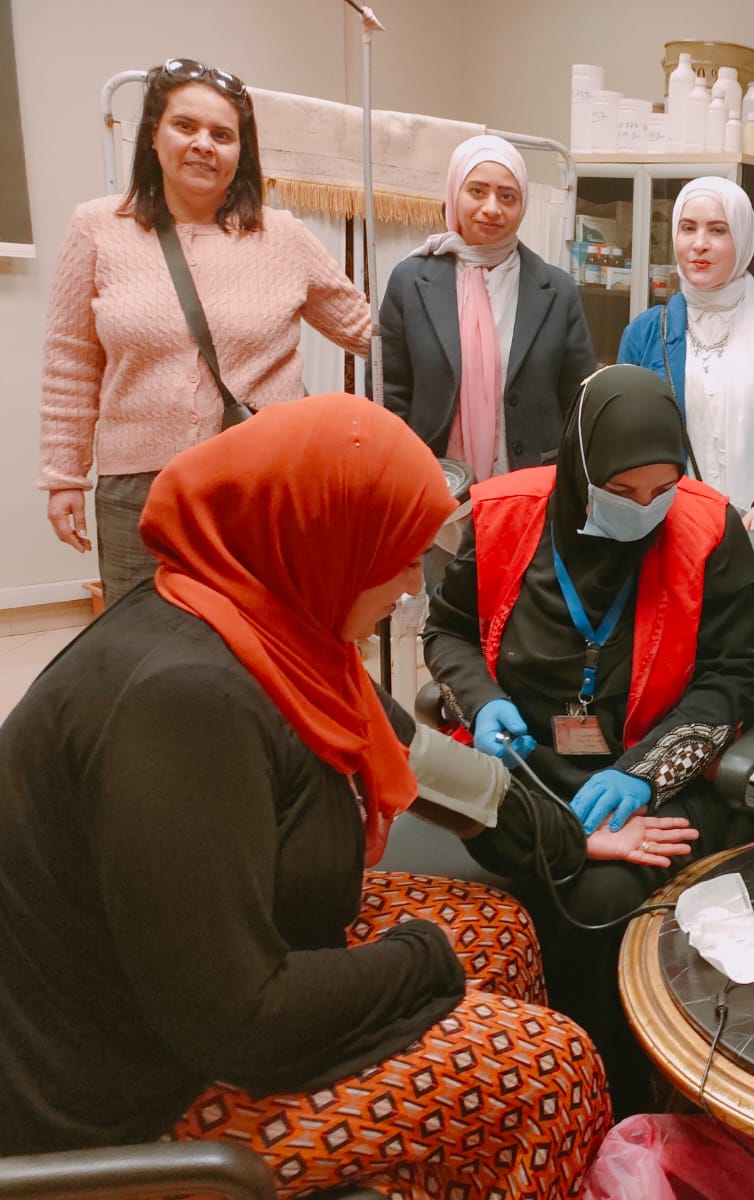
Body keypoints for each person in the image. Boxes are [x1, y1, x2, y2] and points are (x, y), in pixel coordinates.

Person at [0, 395, 610, 1198]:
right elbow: (237, 1020)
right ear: (324, 538)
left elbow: (416, 755)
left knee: (503, 931)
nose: (411, 587)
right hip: (131, 1094)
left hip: (206, 984)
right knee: (552, 1070)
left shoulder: (265, 614)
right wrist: (424, 957)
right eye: (398, 560)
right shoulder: (183, 703)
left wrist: (567, 835)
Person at [424, 363, 754, 1114]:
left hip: (656, 767)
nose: (645, 507)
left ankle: (604, 1099)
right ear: (581, 470)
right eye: (621, 490)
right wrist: (480, 702)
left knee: (603, 897)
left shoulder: (709, 527)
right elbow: (445, 631)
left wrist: (645, 773)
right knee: (556, 877)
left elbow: (732, 678)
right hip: (526, 765)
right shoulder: (504, 515)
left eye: (662, 488)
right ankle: (535, 1068)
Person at [38, 59, 372, 606]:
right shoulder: (97, 228)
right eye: (185, 126)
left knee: (263, 632)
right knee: (142, 639)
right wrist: (63, 477)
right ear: (153, 135)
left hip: (261, 485)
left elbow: (371, 334)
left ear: (242, 151)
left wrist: (440, 284)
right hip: (139, 489)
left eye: (222, 135)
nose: (203, 145)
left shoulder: (283, 237)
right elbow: (71, 361)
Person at [617, 176, 754, 541]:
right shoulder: (646, 333)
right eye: (688, 228)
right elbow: (625, 435)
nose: (699, 243)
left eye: (717, 230)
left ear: (742, 238)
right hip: (670, 530)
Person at [381, 134, 596, 483]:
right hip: (432, 487)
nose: (492, 208)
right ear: (455, 194)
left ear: (522, 205)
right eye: (477, 191)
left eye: (507, 196)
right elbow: (391, 396)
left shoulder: (558, 291)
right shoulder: (410, 283)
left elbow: (579, 402)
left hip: (531, 490)